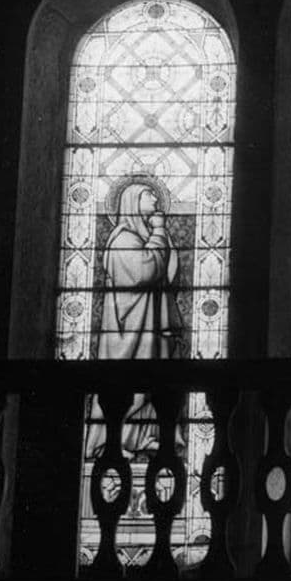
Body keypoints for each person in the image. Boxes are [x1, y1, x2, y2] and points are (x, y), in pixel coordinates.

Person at [87, 180, 182, 458]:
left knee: (154, 377)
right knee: (128, 382)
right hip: (128, 330)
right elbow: (145, 272)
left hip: (148, 324)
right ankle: (110, 443)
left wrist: (159, 235)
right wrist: (160, 231)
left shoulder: (142, 236)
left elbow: (166, 271)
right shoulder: (123, 240)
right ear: (132, 202)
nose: (155, 199)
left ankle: (144, 437)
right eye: (148, 195)